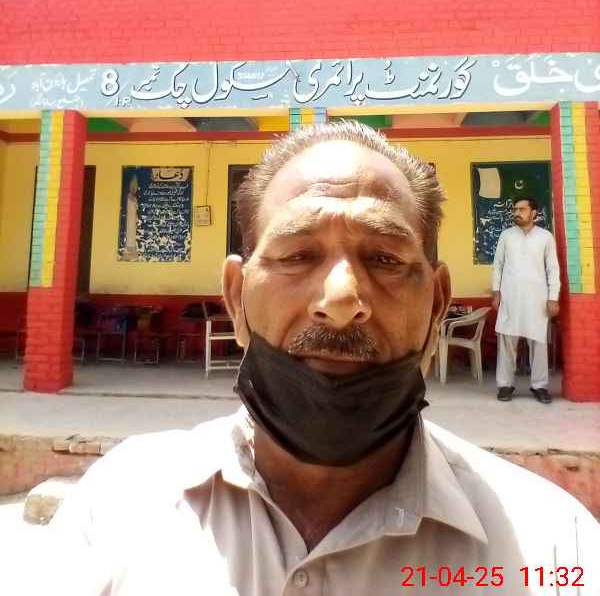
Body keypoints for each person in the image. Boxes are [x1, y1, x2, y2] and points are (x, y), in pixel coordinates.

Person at [43, 122, 598, 595]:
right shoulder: (117, 507)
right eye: (297, 255)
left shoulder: (552, 546)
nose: (341, 300)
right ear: (236, 299)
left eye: (384, 259)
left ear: (436, 306)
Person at [492, 197, 560, 404]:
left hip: (537, 299)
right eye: (515, 209)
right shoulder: (506, 235)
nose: (517, 213)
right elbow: (498, 265)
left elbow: (553, 269)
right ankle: (505, 385)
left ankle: (540, 386)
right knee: (507, 341)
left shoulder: (545, 237)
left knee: (538, 343)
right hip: (510, 297)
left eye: (522, 209)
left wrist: (553, 298)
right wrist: (496, 292)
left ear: (533, 212)